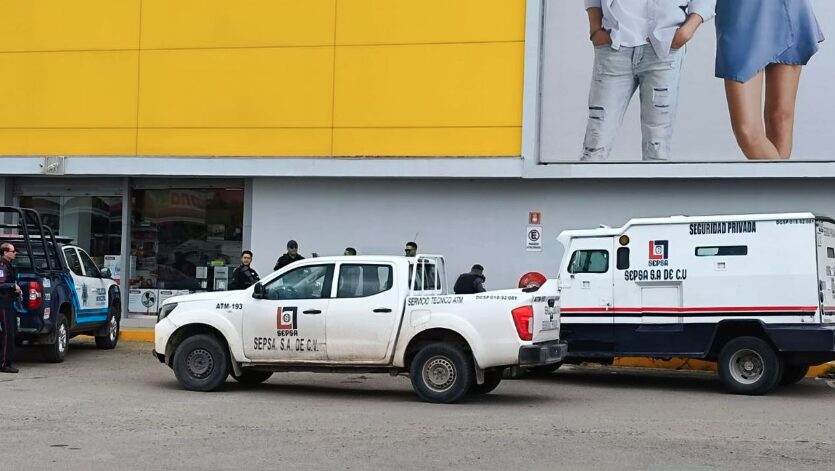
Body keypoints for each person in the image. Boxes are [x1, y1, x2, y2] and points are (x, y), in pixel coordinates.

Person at [581, 0, 715, 161]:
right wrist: (595, 28)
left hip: (664, 47)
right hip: (615, 44)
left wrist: (688, 29)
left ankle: (655, 179)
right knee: (596, 141)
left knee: (657, 146)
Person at [715, 0, 824, 160]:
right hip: (740, 9)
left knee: (780, 119)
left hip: (789, 6)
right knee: (748, 132)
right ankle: (787, 177)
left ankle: (780, 177)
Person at [0, 242, 21, 373]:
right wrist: (13, 286)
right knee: (7, 333)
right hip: (3, 303)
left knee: (10, 332)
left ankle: (7, 361)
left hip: (9, 303)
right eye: (13, 251)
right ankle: (4, 364)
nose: (15, 253)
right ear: (5, 252)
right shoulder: (2, 265)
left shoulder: (8, 265)